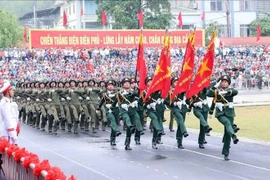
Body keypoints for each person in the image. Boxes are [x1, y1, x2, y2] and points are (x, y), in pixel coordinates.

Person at [206, 75, 239, 161]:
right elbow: (208, 94)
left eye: (226, 82)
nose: (224, 83)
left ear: (228, 83)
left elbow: (235, 92)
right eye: (222, 82)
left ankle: (226, 153)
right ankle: (234, 136)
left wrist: (226, 93)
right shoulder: (216, 91)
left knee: (227, 133)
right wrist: (214, 86)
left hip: (230, 113)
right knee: (227, 124)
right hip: (220, 113)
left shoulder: (230, 90)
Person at [0, 79, 19, 145]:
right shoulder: (5, 103)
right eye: (11, 90)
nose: (13, 91)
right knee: (8, 153)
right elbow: (8, 119)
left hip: (9, 132)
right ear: (8, 92)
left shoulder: (7, 101)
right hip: (8, 133)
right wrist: (13, 135)